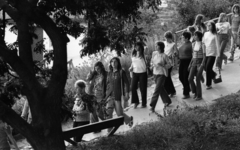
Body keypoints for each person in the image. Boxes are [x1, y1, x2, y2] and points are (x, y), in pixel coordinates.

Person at [105, 57, 133, 127]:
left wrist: (127, 93)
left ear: (118, 63)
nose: (113, 63)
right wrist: (105, 96)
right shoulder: (109, 73)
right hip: (110, 97)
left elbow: (127, 83)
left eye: (115, 62)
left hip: (118, 96)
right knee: (108, 113)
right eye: (112, 62)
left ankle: (129, 119)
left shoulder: (121, 72)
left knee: (119, 114)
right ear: (110, 63)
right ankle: (110, 130)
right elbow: (108, 85)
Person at [149, 41, 172, 112]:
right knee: (160, 88)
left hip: (162, 74)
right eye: (155, 45)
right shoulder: (154, 54)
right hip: (155, 73)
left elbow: (169, 64)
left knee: (157, 90)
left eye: (157, 45)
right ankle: (167, 100)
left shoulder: (165, 56)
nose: (155, 46)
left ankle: (152, 105)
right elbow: (152, 62)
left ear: (160, 47)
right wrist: (152, 66)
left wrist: (162, 65)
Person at [129, 42, 148, 109]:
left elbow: (146, 60)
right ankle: (136, 101)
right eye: (135, 46)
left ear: (140, 47)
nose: (136, 47)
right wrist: (131, 67)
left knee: (143, 88)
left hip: (142, 72)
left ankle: (144, 103)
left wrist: (141, 51)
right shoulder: (133, 54)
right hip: (135, 72)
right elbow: (133, 62)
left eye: (138, 46)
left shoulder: (143, 54)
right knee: (132, 87)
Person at [188, 31, 206, 101]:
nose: (194, 36)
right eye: (194, 35)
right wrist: (190, 64)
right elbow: (193, 55)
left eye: (195, 35)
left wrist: (202, 64)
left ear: (199, 36)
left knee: (197, 79)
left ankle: (199, 95)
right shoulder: (193, 44)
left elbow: (204, 56)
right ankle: (195, 92)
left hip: (200, 62)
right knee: (190, 78)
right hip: (193, 62)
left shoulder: (203, 44)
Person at [202, 21, 219, 90]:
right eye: (208, 25)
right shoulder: (205, 33)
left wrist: (218, 55)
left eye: (210, 25)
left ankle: (208, 84)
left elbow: (218, 45)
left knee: (208, 68)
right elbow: (203, 43)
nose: (208, 26)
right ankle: (213, 74)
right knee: (205, 68)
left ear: (213, 26)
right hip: (206, 53)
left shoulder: (215, 34)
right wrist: (203, 52)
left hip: (212, 53)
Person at [178, 31, 193, 99]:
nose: (182, 37)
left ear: (187, 38)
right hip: (181, 61)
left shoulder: (191, 45)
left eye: (183, 37)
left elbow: (193, 55)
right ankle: (188, 88)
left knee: (185, 77)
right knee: (180, 77)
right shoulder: (182, 43)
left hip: (188, 61)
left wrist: (191, 64)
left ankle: (186, 93)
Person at [163, 31, 177, 97]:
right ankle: (170, 91)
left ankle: (171, 91)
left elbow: (175, 52)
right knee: (166, 77)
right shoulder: (164, 43)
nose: (166, 39)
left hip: (169, 62)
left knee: (167, 77)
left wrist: (173, 55)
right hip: (164, 61)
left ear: (170, 38)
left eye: (167, 38)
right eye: (165, 38)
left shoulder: (173, 44)